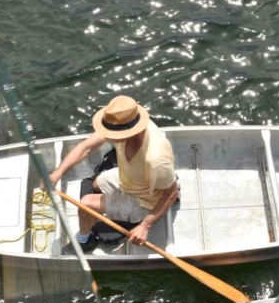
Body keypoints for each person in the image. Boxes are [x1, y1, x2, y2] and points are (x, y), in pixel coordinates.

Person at [41, 95, 179, 253]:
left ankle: (84, 240)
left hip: (146, 200)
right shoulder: (126, 123)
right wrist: (57, 173)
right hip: (130, 179)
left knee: (85, 204)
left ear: (127, 132)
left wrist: (144, 226)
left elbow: (171, 192)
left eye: (111, 134)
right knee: (94, 184)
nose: (106, 136)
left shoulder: (155, 159)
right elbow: (86, 147)